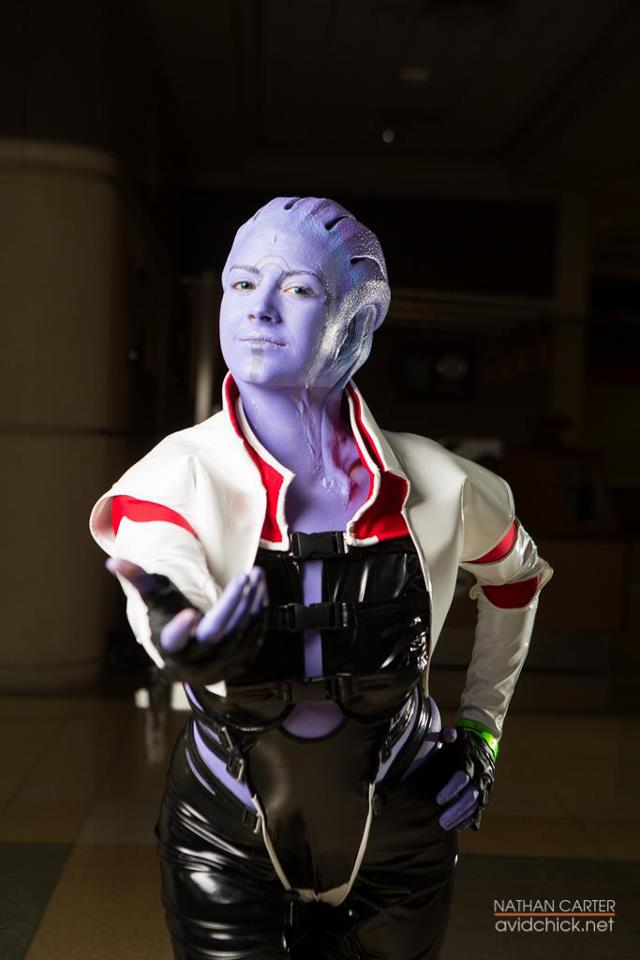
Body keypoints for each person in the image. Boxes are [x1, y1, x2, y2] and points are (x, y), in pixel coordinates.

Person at [90, 197, 552, 960]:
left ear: (360, 319)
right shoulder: (176, 475)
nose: (259, 309)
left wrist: (481, 732)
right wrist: (179, 633)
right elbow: (162, 568)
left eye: (298, 288)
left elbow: (518, 580)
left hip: (404, 830)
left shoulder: (443, 483)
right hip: (225, 832)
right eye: (242, 284)